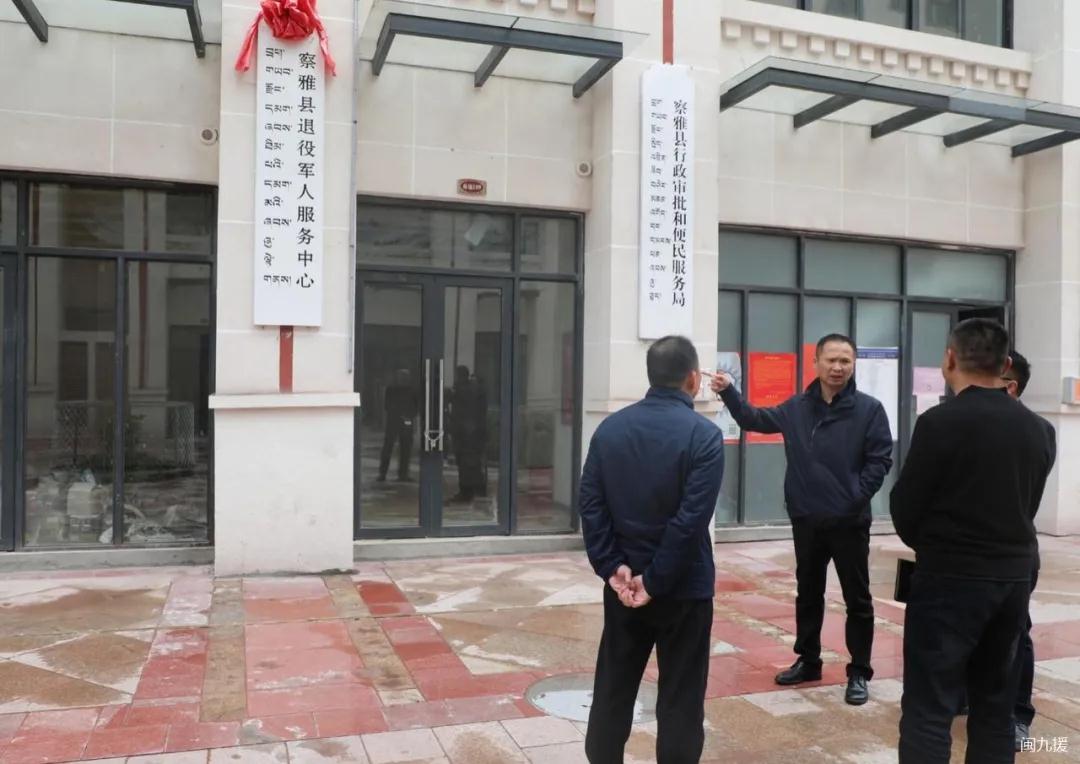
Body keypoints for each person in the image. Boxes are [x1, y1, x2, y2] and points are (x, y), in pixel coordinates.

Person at [891, 321, 1056, 764]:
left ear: (949, 359)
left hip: (949, 579)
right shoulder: (1039, 429)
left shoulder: (939, 423)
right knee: (995, 707)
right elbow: (1027, 504)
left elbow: (906, 507)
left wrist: (935, 546)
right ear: (1005, 364)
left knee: (929, 706)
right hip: (1012, 580)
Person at [710, 334, 892, 705]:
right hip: (807, 518)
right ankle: (808, 661)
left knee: (858, 599)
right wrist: (728, 391)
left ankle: (859, 671)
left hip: (849, 521)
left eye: (845, 361)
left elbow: (880, 460)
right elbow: (753, 419)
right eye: (832, 360)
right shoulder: (797, 408)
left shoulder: (869, 410)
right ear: (816, 362)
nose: (838, 367)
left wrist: (854, 498)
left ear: (853, 365)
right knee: (808, 593)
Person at [580, 335, 724, 764]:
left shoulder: (610, 429)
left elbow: (591, 504)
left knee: (613, 688)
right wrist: (656, 580)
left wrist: (612, 566)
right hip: (684, 588)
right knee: (681, 699)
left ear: (651, 375)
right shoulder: (704, 436)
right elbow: (690, 521)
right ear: (693, 378)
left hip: (624, 586)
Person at [1001, 351, 1056, 749]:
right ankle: (967, 697)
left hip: (1013, 550)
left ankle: (1018, 714)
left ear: (1010, 386)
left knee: (1016, 633)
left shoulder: (1037, 430)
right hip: (968, 552)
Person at [448, 366, 487, 501]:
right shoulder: (468, 389)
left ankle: (468, 492)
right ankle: (474, 490)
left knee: (467, 463)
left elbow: (463, 408)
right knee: (469, 463)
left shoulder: (465, 390)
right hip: (466, 431)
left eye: (457, 375)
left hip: (466, 433)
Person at [377, 369, 417, 483]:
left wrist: (408, 415)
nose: (403, 379)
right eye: (401, 377)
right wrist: (401, 414)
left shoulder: (411, 390)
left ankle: (402, 474)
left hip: (405, 421)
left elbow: (416, 406)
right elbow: (387, 405)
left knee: (405, 448)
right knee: (389, 447)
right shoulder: (392, 390)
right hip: (395, 421)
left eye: (405, 377)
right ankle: (383, 473)